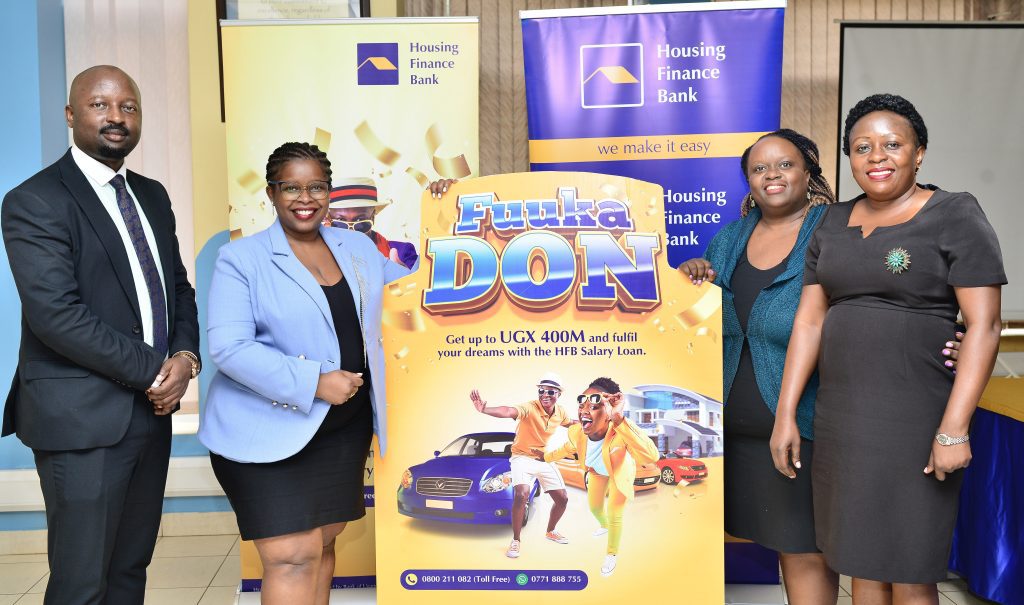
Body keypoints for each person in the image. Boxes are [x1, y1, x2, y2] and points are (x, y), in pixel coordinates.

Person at [680, 128, 963, 605]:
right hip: (737, 433)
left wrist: (946, 335)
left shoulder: (836, 227)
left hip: (809, 428)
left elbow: (884, 296)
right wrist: (694, 273)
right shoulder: (729, 238)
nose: (772, 175)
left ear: (808, 171)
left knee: (806, 550)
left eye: (785, 164)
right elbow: (700, 317)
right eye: (759, 168)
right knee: (773, 542)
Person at [772, 94, 1004, 605]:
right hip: (842, 418)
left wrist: (953, 429)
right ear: (849, 158)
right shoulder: (831, 221)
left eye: (892, 144)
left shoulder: (955, 213)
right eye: (862, 147)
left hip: (918, 416)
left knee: (909, 566)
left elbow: (984, 326)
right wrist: (786, 413)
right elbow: (809, 321)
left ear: (919, 153)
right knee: (859, 561)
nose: (876, 156)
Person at [1, 65, 200, 604]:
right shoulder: (36, 200)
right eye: (100, 105)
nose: (116, 117)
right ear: (71, 114)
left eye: (128, 107)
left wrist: (185, 357)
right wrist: (156, 371)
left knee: (129, 570)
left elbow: (177, 287)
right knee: (81, 583)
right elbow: (56, 315)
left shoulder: (151, 195)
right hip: (81, 421)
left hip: (150, 415)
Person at [199, 142, 409, 604]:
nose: (305, 198)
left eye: (316, 187)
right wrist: (314, 382)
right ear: (271, 194)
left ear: (329, 192)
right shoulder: (242, 258)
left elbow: (415, 288)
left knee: (321, 546)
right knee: (293, 556)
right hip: (264, 432)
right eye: (291, 187)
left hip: (342, 430)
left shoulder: (358, 247)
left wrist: (453, 215)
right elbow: (229, 348)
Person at [533, 377, 660, 577]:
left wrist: (619, 419)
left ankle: (611, 554)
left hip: (618, 474)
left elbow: (651, 456)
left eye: (594, 405)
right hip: (596, 473)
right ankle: (604, 525)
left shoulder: (621, 431)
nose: (584, 410)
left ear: (609, 411)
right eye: (582, 403)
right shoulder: (577, 432)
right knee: (594, 508)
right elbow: (566, 449)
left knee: (615, 513)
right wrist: (545, 457)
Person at [470, 372, 573, 558]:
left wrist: (593, 423)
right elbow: (508, 411)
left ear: (559, 394)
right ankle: (516, 540)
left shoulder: (561, 412)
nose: (545, 395)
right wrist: (485, 409)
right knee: (521, 494)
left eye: (550, 392)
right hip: (521, 457)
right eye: (541, 391)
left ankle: (551, 531)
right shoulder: (529, 408)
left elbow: (571, 423)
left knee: (563, 499)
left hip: (543, 457)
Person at [323, 176, 418, 270]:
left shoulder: (402, 253)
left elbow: (422, 277)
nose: (351, 233)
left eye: (360, 222)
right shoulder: (319, 258)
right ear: (328, 221)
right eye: (340, 222)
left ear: (373, 217)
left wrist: (405, 277)